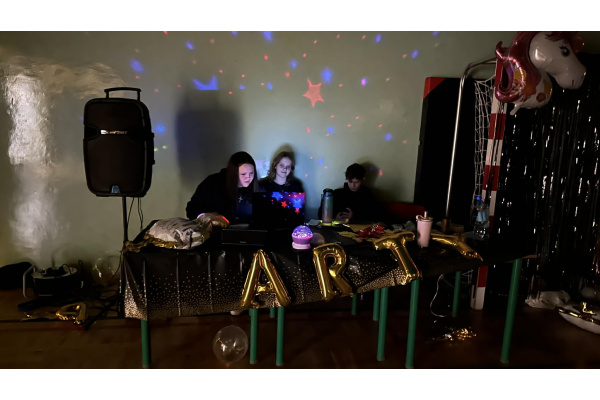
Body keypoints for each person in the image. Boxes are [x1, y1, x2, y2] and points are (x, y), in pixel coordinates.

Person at [186, 151, 261, 224]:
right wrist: (205, 217)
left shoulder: (257, 188)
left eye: (251, 173)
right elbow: (192, 209)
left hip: (247, 230)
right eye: (243, 174)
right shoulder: (212, 183)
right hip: (216, 230)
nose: (248, 177)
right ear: (233, 173)